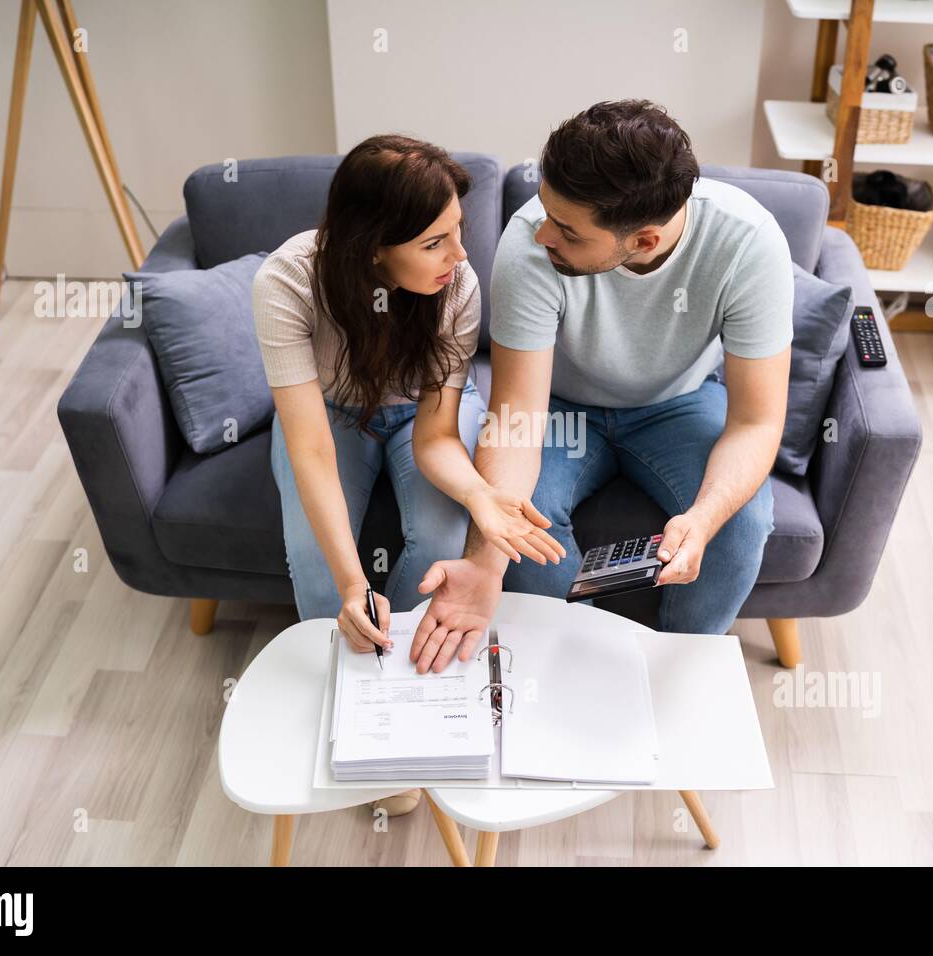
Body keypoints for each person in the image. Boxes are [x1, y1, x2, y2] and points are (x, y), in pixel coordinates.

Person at [408, 101, 793, 674]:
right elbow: (517, 416)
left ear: (642, 241)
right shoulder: (531, 244)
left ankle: (673, 676)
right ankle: (574, 675)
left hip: (679, 403)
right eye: (546, 210)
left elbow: (757, 422)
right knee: (524, 531)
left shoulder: (748, 244)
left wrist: (703, 517)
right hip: (560, 409)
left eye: (566, 230)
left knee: (739, 526)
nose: (542, 233)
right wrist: (485, 561)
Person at [254, 135, 563, 815]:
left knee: (441, 538)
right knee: (312, 560)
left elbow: (434, 437)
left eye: (459, 232)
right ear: (371, 246)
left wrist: (483, 494)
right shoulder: (286, 281)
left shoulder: (457, 289)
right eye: (433, 243)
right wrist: (351, 586)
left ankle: (413, 696)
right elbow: (308, 449)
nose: (459, 256)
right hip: (328, 416)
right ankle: (358, 707)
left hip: (422, 423)